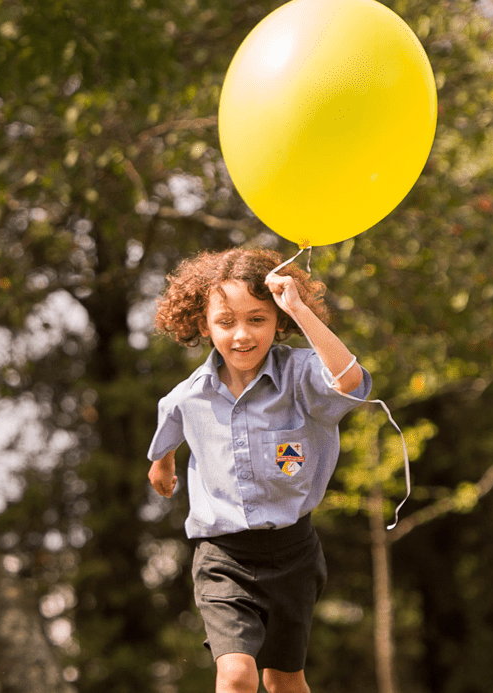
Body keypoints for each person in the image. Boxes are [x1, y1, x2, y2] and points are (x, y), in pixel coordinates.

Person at [145, 247, 370, 693]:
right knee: (236, 675)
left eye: (257, 319)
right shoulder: (188, 396)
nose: (241, 335)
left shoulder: (302, 377)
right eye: (226, 322)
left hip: (294, 554)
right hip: (223, 557)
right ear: (203, 325)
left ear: (278, 323)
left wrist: (300, 310)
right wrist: (163, 462)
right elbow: (168, 427)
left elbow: (349, 381)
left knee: (284, 680)